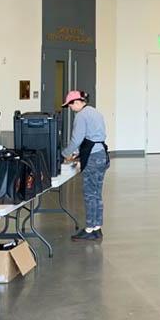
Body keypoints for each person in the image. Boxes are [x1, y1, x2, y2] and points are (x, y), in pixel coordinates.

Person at [62, 90, 109, 241]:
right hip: (101, 154)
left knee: (89, 194)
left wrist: (64, 154)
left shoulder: (81, 116)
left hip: (92, 158)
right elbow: (92, 136)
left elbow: (76, 139)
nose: (70, 109)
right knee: (96, 194)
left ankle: (89, 229)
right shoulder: (95, 112)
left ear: (76, 102)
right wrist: (77, 153)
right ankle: (97, 227)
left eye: (70, 105)